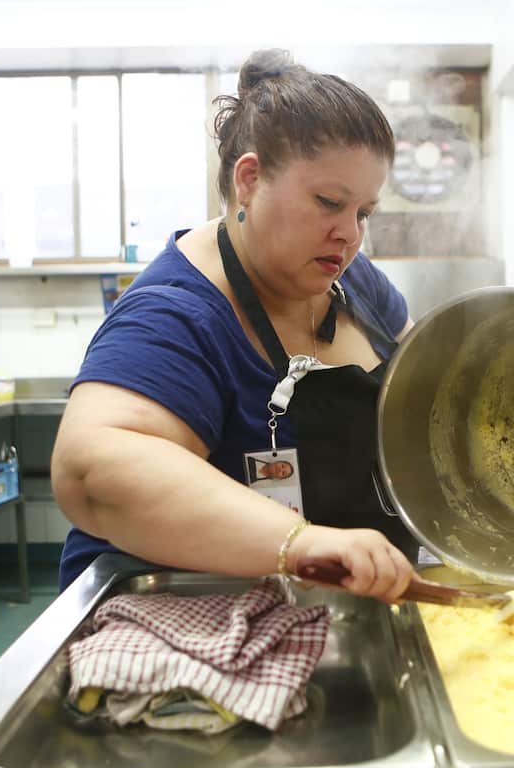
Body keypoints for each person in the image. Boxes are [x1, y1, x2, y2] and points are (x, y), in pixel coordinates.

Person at [52, 49, 417, 603]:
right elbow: (93, 469)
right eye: (327, 203)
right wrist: (298, 543)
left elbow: (424, 370)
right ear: (249, 179)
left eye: (363, 212)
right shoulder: (176, 313)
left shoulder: (352, 277)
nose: (349, 234)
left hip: (347, 607)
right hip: (185, 618)